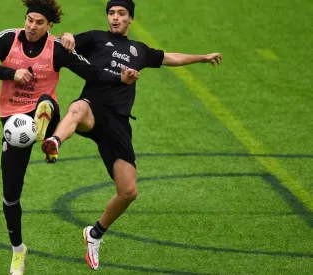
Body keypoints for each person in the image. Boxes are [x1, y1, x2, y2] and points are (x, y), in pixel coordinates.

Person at [41, 0, 223, 270]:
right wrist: (66, 36)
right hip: (93, 109)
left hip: (118, 124)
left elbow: (170, 58)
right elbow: (61, 43)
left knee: (128, 192)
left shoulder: (140, 50)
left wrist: (202, 57)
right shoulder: (95, 38)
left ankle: (94, 235)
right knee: (78, 108)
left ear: (130, 20)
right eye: (112, 13)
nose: (115, 18)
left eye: (121, 14)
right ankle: (54, 141)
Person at [0, 0, 139, 274]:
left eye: (39, 23)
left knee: (47, 102)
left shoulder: (57, 49)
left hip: (46, 110)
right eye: (29, 20)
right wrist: (12, 73)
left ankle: (48, 132)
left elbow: (92, 72)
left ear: (50, 26)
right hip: (13, 120)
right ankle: (18, 250)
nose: (32, 26)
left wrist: (122, 79)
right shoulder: (7, 38)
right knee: (11, 195)